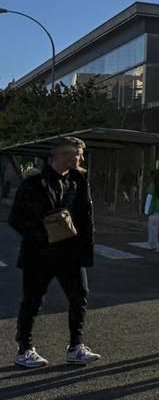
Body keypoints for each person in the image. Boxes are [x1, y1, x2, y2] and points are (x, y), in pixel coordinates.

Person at [11, 137, 99, 368]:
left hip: (69, 252)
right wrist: (45, 232)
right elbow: (16, 219)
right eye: (76, 154)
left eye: (80, 154)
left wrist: (83, 248)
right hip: (39, 253)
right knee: (32, 300)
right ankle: (25, 349)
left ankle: (76, 347)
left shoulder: (79, 180)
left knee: (79, 296)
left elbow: (85, 216)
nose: (80, 158)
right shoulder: (34, 182)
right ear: (61, 155)